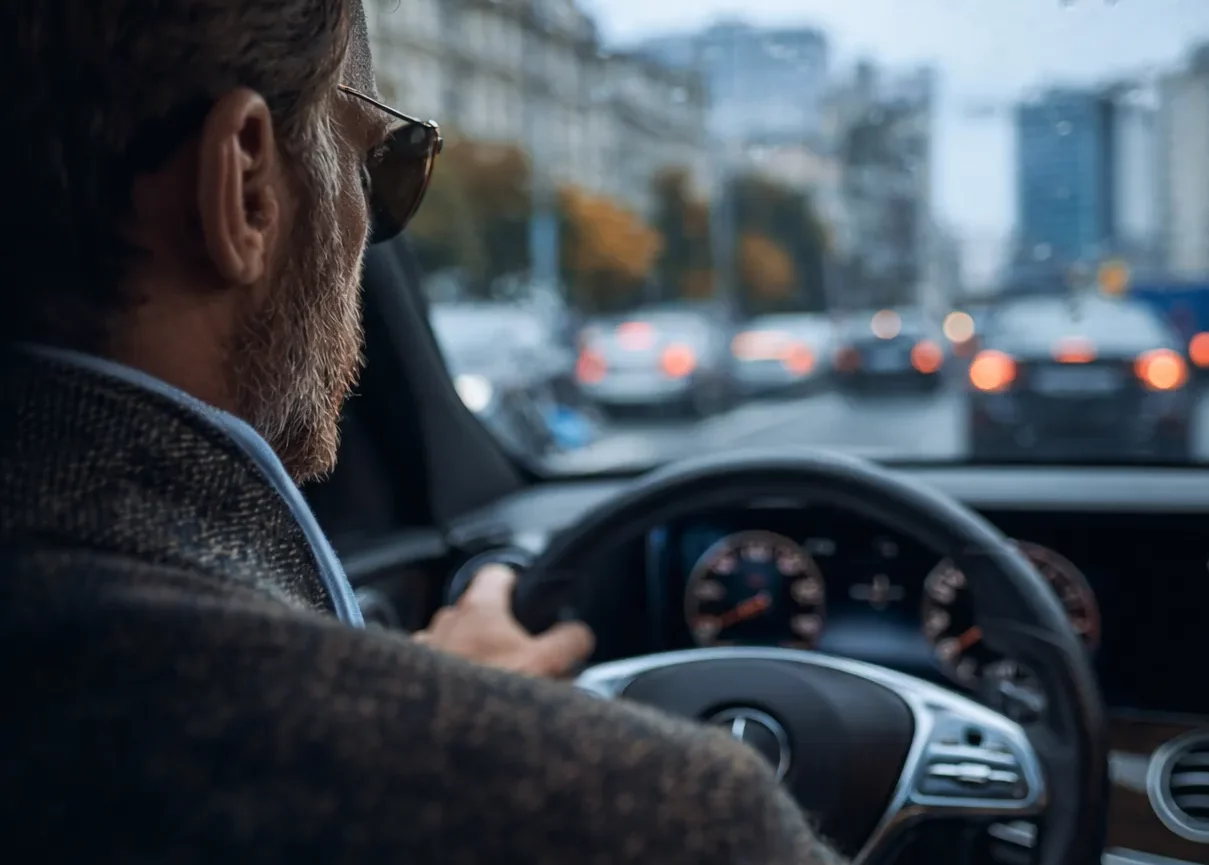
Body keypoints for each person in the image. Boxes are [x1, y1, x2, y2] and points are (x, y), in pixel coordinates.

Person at [0, 2, 844, 862]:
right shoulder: (655, 815)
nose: (371, 229)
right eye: (385, 164)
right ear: (246, 187)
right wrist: (459, 728)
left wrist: (416, 699)